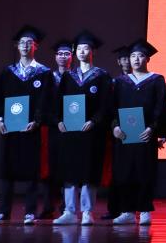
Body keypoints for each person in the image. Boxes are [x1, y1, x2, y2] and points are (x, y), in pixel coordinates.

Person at [0, 25, 53, 225]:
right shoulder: (8, 72)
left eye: (29, 43)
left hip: (31, 128)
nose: (25, 46)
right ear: (17, 46)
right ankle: (3, 212)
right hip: (9, 128)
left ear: (36, 46)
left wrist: (37, 121)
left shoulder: (43, 73)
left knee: (31, 171)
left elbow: (46, 100)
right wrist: (0, 119)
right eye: (22, 43)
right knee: (6, 169)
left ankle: (30, 212)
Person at [52, 30, 112, 226]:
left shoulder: (101, 76)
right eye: (79, 49)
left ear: (93, 51)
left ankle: (87, 211)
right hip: (70, 131)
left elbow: (106, 105)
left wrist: (94, 121)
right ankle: (69, 211)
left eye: (86, 49)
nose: (82, 52)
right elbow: (58, 102)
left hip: (90, 132)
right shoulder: (68, 76)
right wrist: (59, 120)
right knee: (69, 170)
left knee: (88, 171)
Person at [110, 40, 166, 225]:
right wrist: (115, 126)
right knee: (124, 172)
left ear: (148, 59)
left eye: (141, 56)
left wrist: (153, 128)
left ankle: (144, 210)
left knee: (145, 172)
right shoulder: (120, 82)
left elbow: (161, 107)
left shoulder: (156, 80)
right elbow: (112, 107)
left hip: (146, 135)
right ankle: (127, 210)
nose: (136, 59)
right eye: (133, 56)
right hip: (124, 136)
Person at [40, 39, 74, 219]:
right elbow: (43, 104)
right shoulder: (49, 77)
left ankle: (67, 208)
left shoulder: (76, 78)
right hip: (53, 128)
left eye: (67, 53)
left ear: (72, 57)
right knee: (50, 168)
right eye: (60, 53)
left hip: (72, 128)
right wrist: (56, 121)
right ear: (55, 57)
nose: (63, 57)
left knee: (68, 168)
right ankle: (48, 207)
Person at [101, 44, 133, 220]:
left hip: (136, 131)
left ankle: (131, 207)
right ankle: (114, 208)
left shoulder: (143, 81)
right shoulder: (114, 83)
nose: (127, 61)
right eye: (123, 58)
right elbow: (109, 108)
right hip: (117, 132)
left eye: (129, 58)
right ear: (119, 62)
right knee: (116, 171)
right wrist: (114, 126)